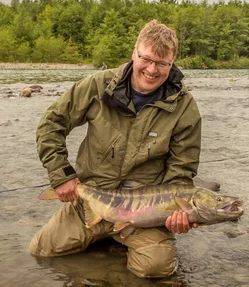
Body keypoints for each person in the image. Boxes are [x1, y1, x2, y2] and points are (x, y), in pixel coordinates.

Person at [28, 20, 202, 278]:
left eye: (162, 63)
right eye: (146, 59)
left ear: (172, 62)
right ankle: (104, 241)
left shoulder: (184, 107)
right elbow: (51, 124)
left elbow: (181, 171)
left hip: (144, 214)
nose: (152, 70)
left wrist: (178, 212)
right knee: (41, 252)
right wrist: (61, 174)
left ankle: (117, 245)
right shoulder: (98, 86)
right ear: (134, 53)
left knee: (156, 270)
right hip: (91, 197)